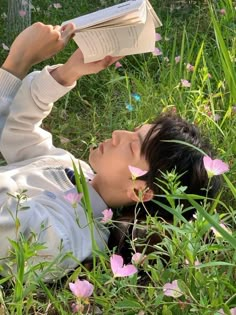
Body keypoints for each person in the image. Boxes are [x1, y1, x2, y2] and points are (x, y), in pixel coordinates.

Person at [0, 23, 220, 280]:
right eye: (133, 129)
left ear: (140, 190)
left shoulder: (71, 236)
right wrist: (67, 73)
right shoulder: (73, 169)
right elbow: (16, 128)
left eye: (133, 145)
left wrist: (18, 61)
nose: (117, 134)